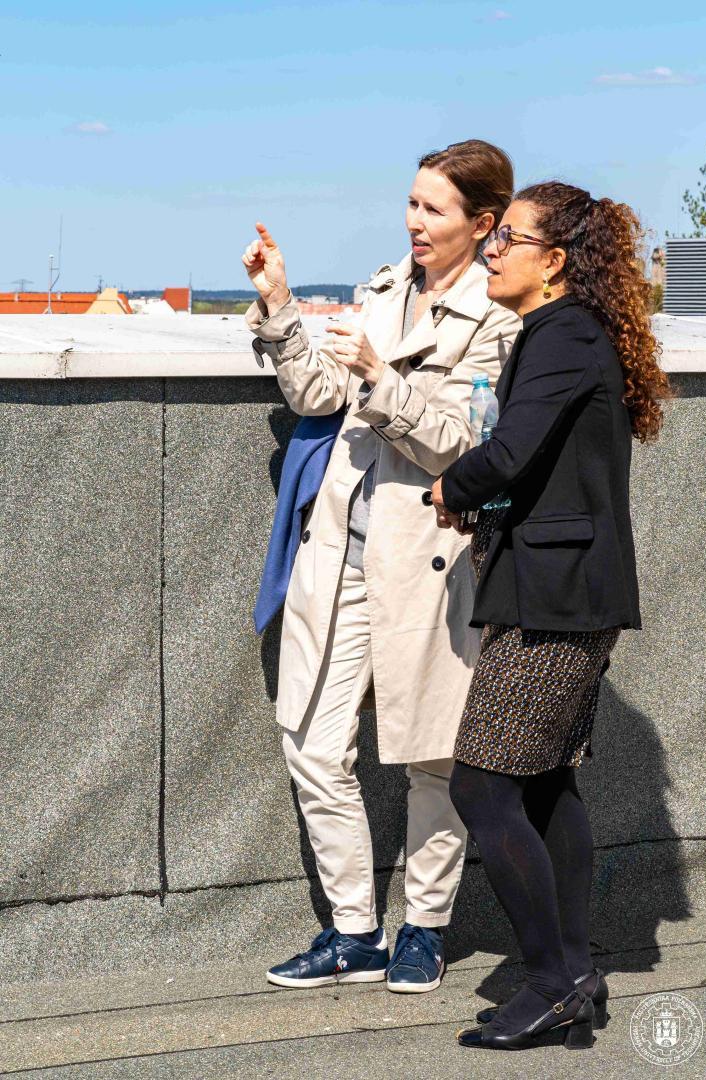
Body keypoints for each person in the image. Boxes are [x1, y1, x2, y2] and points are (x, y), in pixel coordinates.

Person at [243, 141, 520, 992]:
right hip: (339, 555)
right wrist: (280, 304)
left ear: (482, 223)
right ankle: (355, 930)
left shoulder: (496, 317)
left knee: (434, 756)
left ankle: (424, 929)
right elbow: (317, 397)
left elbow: (463, 447)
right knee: (312, 742)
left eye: (434, 209)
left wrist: (377, 376)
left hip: (430, 562)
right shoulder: (384, 287)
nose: (414, 222)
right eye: (411, 203)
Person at [431, 181, 671, 1050]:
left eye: (507, 238)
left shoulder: (564, 335)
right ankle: (575, 972)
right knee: (543, 783)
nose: (490, 249)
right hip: (559, 585)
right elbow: (542, 467)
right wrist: (484, 503)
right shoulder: (561, 332)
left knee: (481, 785)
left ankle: (553, 980)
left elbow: (508, 452)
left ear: (555, 261)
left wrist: (451, 487)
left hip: (558, 594)